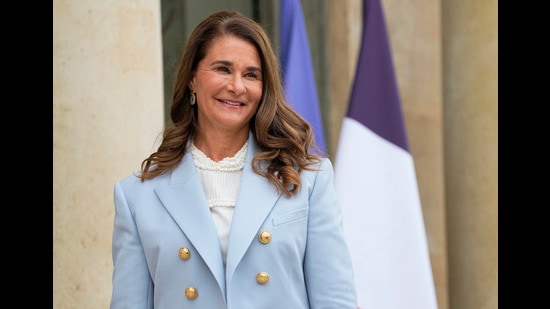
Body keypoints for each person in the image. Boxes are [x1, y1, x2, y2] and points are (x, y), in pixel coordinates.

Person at [110, 10, 357, 309]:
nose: (237, 86)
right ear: (191, 78)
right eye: (223, 69)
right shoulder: (137, 196)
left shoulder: (309, 180)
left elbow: (334, 300)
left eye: (251, 74)